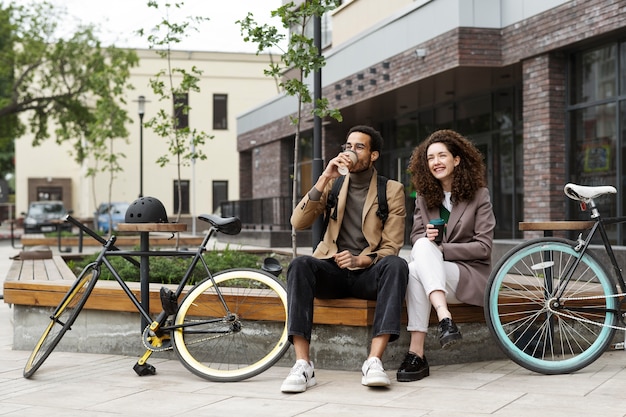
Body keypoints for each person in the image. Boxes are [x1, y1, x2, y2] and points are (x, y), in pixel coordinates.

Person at [281, 125, 408, 393]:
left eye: (359, 147)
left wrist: (360, 260)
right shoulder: (334, 184)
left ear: (373, 155)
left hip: (367, 273)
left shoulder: (392, 190)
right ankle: (303, 365)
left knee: (397, 266)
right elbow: (298, 221)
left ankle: (373, 361)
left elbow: (391, 246)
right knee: (300, 264)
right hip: (333, 271)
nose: (350, 151)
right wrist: (323, 178)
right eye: (347, 146)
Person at [396, 129, 496, 382]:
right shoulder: (423, 198)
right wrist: (429, 241)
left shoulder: (479, 196)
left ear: (457, 159)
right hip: (437, 278)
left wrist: (442, 249)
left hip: (468, 275)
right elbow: (417, 237)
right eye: (430, 158)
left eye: (442, 156)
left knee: (417, 266)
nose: (436, 162)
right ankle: (444, 320)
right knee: (417, 257)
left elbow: (484, 247)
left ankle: (417, 354)